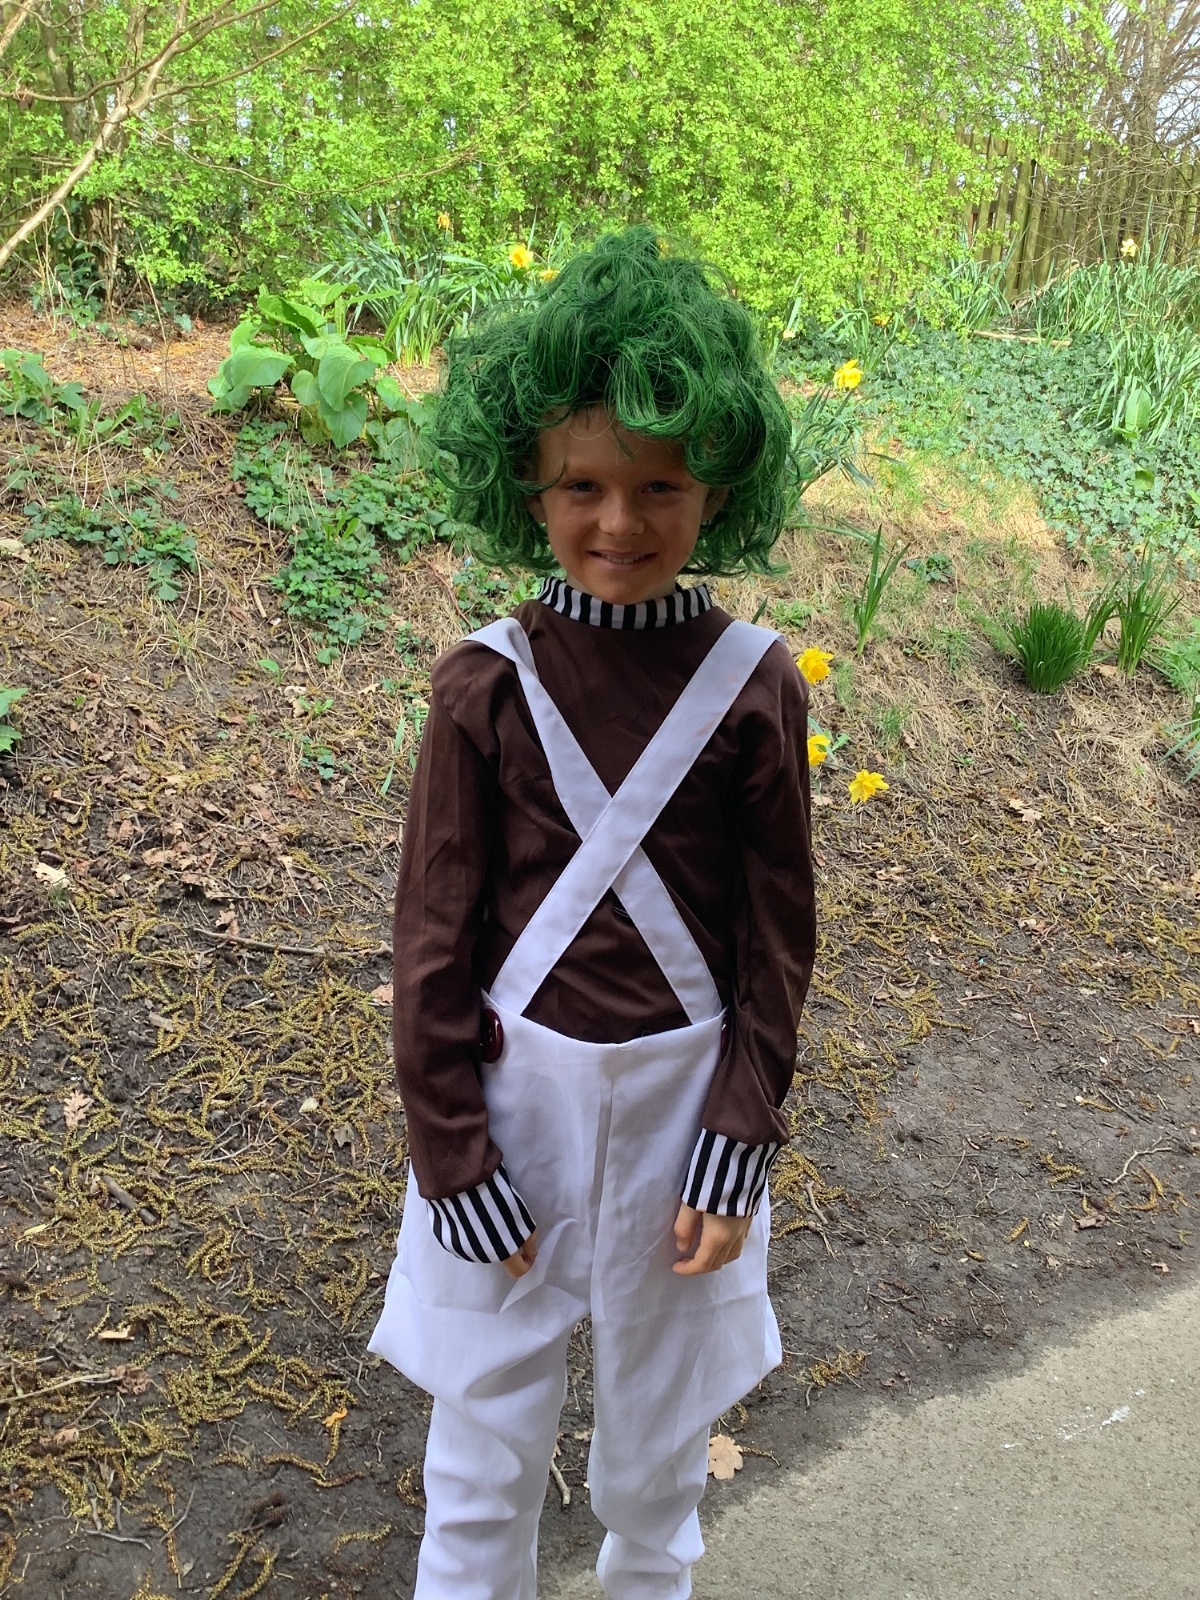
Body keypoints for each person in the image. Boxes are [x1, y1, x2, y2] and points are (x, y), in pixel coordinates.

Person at [369, 226, 816, 1600]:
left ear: (718, 486)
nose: (620, 523)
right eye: (583, 485)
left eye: (659, 485)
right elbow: (432, 944)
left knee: (657, 1468)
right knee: (479, 1462)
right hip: (509, 1112)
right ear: (528, 485)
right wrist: (452, 1154)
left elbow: (776, 941)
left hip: (688, 1123)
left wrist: (739, 1138)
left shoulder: (756, 686)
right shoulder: (484, 684)